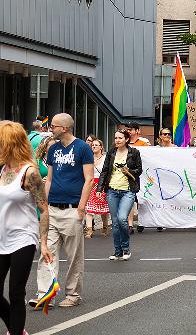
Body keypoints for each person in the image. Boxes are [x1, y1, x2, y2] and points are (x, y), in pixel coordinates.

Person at [29, 113, 94, 309]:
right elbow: (49, 179)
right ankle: (45, 294)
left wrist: (81, 208)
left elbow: (89, 178)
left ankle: (73, 294)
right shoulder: (53, 149)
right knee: (46, 252)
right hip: (52, 209)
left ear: (64, 128)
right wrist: (44, 206)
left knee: (74, 256)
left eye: (54, 126)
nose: (51, 129)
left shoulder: (82, 148)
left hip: (73, 209)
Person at [0, 121, 53, 335]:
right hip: (2, 238)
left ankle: (15, 331)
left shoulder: (29, 173)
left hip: (23, 238)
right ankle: (16, 328)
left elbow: (44, 209)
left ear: (9, 143)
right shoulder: (2, 169)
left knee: (15, 292)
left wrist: (44, 242)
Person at [97, 130, 143, 261]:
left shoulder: (134, 152)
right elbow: (105, 170)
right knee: (115, 222)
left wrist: (129, 170)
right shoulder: (111, 152)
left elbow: (139, 170)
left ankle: (126, 248)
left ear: (127, 139)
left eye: (120, 138)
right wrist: (100, 188)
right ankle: (118, 251)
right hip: (112, 190)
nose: (117, 140)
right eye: (116, 138)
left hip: (128, 190)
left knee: (122, 218)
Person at [124, 121, 149, 234]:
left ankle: (142, 221)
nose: (128, 131)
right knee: (130, 199)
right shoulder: (124, 143)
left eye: (130, 129)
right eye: (127, 129)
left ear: (137, 131)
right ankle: (130, 225)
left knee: (141, 199)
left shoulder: (144, 144)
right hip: (127, 175)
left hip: (142, 175)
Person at [85, 139, 109, 238]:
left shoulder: (105, 158)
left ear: (101, 147)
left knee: (103, 209)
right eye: (92, 145)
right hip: (91, 184)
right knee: (89, 209)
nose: (94, 146)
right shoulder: (88, 158)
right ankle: (89, 230)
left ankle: (105, 227)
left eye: (96, 145)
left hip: (101, 184)